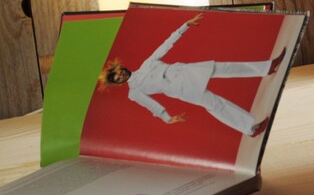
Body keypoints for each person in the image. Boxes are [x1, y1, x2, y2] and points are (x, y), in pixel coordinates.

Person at [99, 13, 285, 137]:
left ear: (121, 68)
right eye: (117, 79)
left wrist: (184, 26)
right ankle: (250, 128)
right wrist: (167, 118)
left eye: (119, 73)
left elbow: (164, 45)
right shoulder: (134, 91)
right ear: (118, 83)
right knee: (214, 103)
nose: (121, 76)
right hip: (180, 88)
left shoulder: (146, 64)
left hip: (184, 71)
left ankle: (267, 67)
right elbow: (150, 105)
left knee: (224, 68)